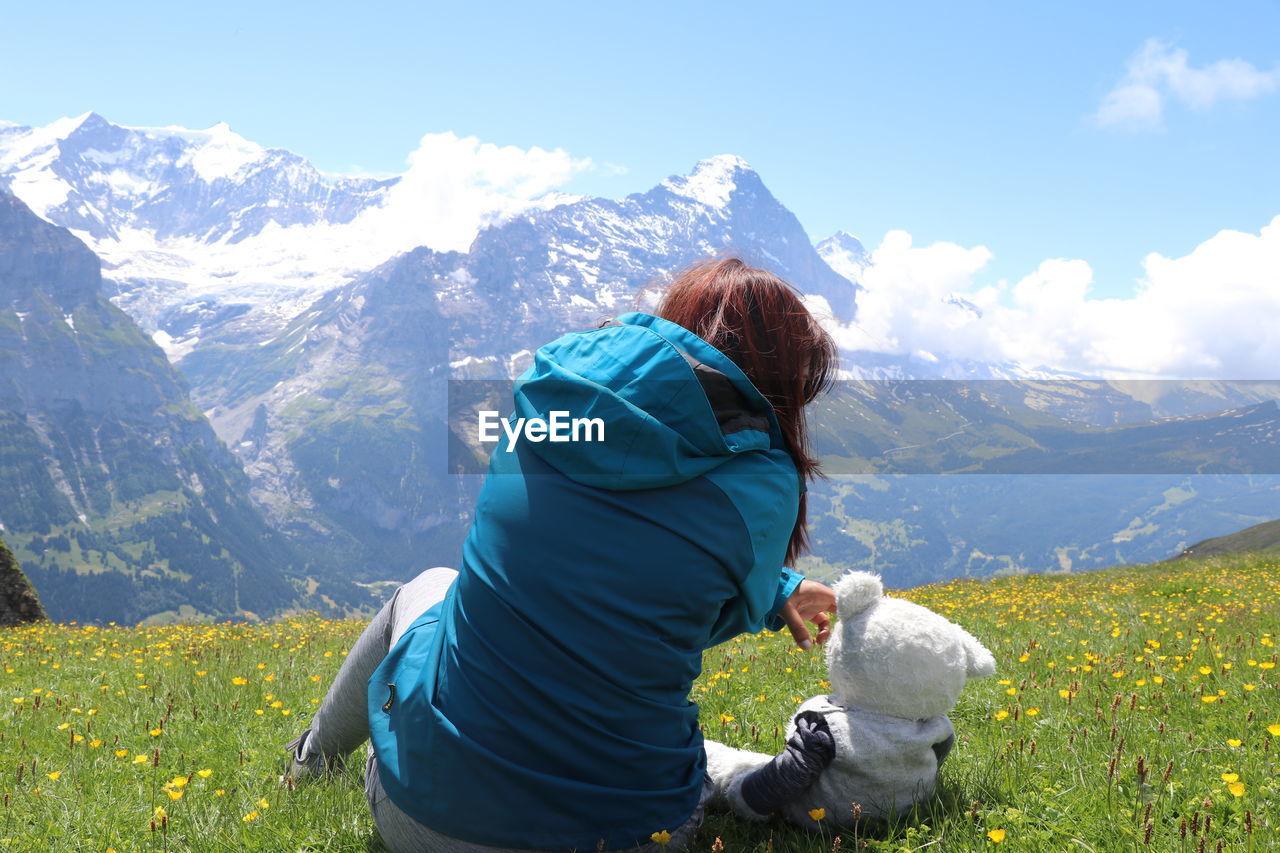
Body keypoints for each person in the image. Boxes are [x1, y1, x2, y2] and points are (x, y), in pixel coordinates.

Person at [286, 257, 840, 852]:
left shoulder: (545, 395)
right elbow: (685, 610)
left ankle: (309, 763)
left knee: (428, 588)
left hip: (423, 824)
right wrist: (774, 590)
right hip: (631, 836)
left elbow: (556, 546)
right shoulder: (760, 479)